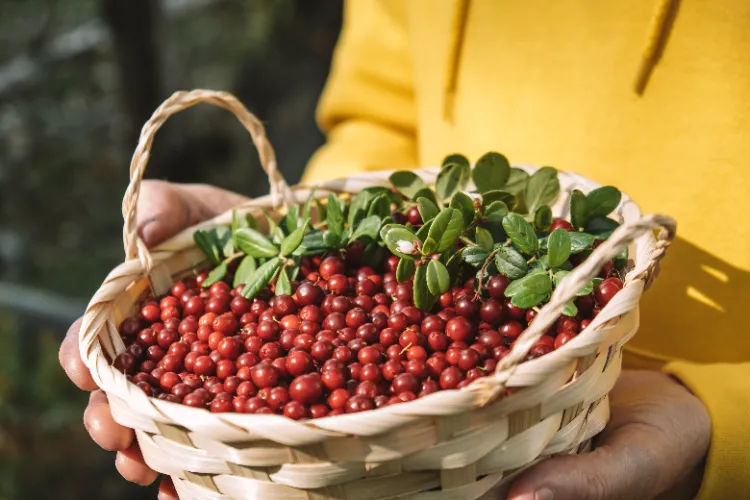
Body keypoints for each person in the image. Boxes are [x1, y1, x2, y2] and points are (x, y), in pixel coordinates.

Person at [60, 1, 750, 498]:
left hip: (607, 387)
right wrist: (316, 227)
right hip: (462, 419)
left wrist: (728, 421)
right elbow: (383, 109)